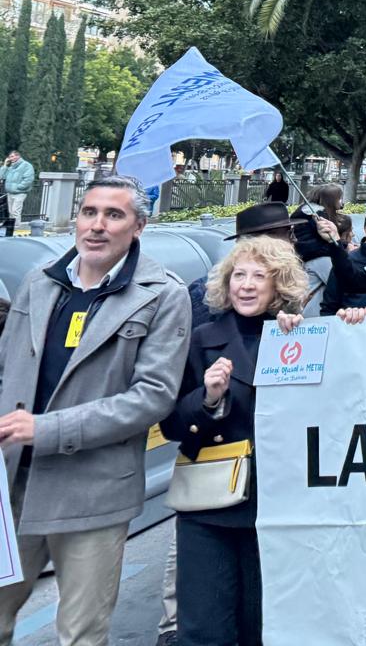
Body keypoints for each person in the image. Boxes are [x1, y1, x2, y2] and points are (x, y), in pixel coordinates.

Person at [0, 175, 190, 644]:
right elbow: (7, 368)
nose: (97, 225)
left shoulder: (163, 294)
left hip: (93, 494)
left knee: (81, 633)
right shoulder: (39, 281)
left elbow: (152, 396)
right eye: (89, 212)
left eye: (113, 215)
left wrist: (45, 429)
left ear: (139, 227)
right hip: (14, 484)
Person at [162, 235, 308, 646]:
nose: (246, 285)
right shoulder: (200, 339)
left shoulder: (301, 338)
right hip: (210, 508)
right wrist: (207, 399)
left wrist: (303, 336)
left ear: (278, 285)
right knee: (204, 627)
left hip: (278, 506)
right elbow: (171, 425)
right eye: (238, 275)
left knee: (264, 626)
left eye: (259, 276)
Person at [0, 149, 35, 236]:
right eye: (10, 157)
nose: (11, 158)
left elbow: (28, 179)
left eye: (12, 156)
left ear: (18, 156)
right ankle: (11, 228)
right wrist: (5, 165)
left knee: (16, 211)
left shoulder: (26, 165)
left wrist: (18, 187)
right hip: (10, 193)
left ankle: (16, 228)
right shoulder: (11, 167)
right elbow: (1, 176)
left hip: (20, 193)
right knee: (11, 212)